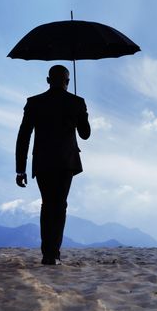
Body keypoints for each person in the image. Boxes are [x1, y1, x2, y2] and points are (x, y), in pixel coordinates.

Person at [15, 65, 91, 265]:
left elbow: (23, 137)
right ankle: (53, 253)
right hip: (66, 162)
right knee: (59, 205)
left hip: (43, 161)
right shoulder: (76, 102)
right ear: (67, 82)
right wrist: (83, 113)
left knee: (47, 205)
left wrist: (20, 168)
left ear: (48, 80)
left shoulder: (35, 103)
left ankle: (48, 253)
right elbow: (85, 134)